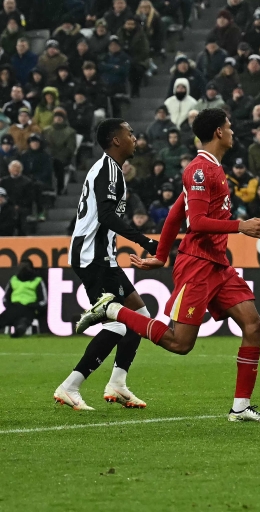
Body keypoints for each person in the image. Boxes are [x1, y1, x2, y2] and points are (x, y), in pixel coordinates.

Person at [80, 109, 260, 423]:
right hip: (197, 264)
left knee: (253, 325)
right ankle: (112, 310)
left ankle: (241, 407)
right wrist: (240, 226)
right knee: (180, 343)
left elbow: (175, 213)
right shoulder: (199, 170)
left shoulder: (214, 168)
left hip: (218, 264)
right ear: (218, 132)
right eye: (228, 127)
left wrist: (161, 255)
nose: (232, 132)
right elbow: (195, 222)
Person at [53, 119, 160, 411]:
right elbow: (105, 216)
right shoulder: (108, 170)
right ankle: (70, 386)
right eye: (130, 133)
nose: (134, 138)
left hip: (103, 257)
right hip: (93, 257)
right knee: (117, 322)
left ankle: (117, 383)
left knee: (139, 315)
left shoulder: (111, 170)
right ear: (116, 140)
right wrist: (146, 241)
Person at [0, 261, 47, 337]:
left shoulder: (37, 280)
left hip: (29, 308)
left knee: (24, 318)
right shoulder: (14, 279)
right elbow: (6, 298)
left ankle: (20, 328)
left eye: (25, 267)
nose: (23, 269)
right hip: (14, 307)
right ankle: (20, 327)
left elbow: (43, 301)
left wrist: (33, 306)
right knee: (6, 317)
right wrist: (9, 305)